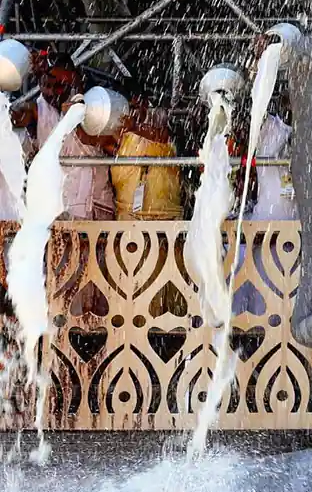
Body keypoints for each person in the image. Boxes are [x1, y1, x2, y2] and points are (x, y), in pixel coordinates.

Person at [11, 51, 117, 221]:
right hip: (54, 212)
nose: (52, 92)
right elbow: (18, 116)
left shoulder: (96, 108)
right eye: (47, 85)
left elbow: (115, 148)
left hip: (94, 210)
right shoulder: (38, 110)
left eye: (60, 85)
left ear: (75, 80)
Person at [111, 90, 186, 317]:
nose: (136, 112)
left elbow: (162, 136)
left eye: (140, 106)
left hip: (163, 225)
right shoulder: (121, 136)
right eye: (132, 107)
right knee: (131, 284)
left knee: (164, 286)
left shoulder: (160, 134)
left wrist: (134, 126)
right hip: (129, 224)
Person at [231, 85, 296, 316]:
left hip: (297, 228)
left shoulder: (307, 130)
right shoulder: (269, 128)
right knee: (264, 292)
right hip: (268, 225)